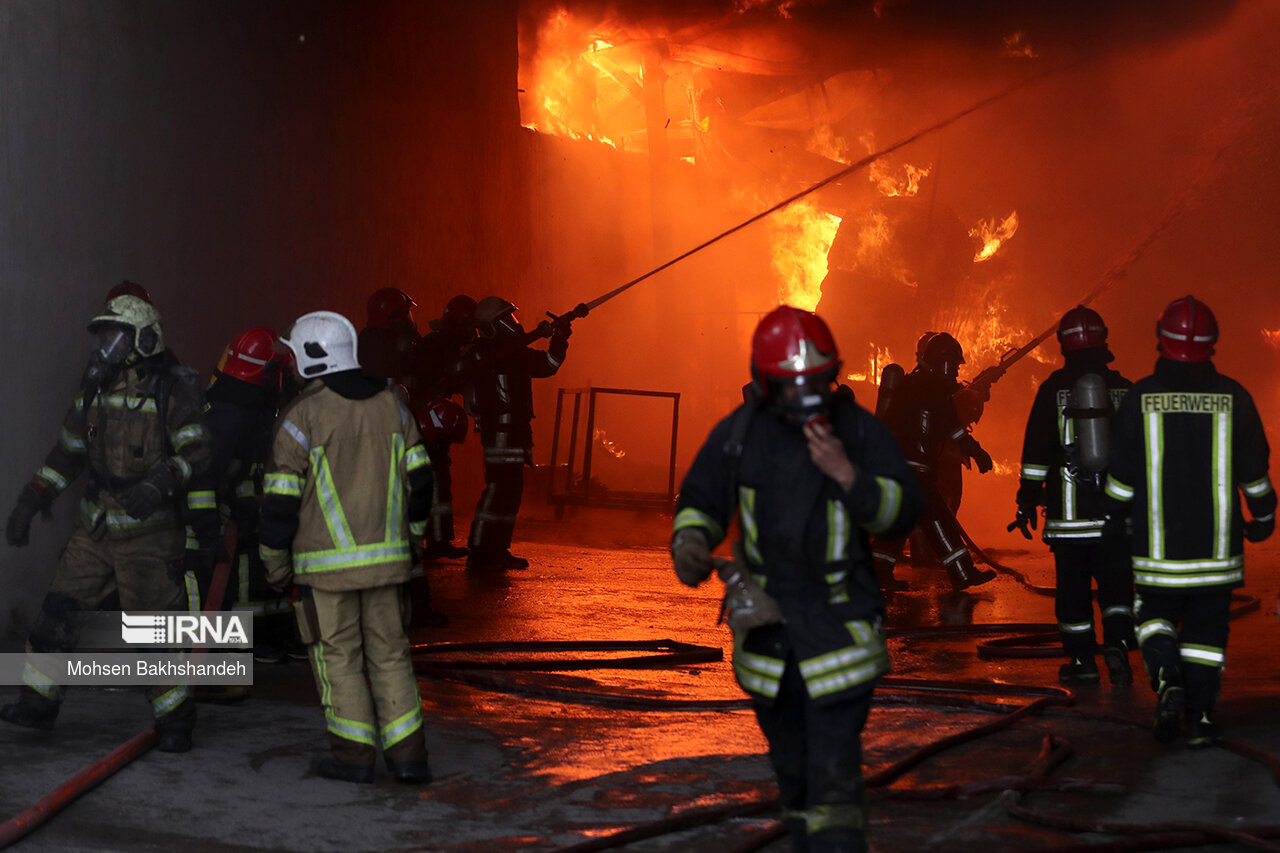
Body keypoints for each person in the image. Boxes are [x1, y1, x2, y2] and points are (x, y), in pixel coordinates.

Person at [672, 305, 922, 853]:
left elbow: (903, 511)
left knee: (833, 782)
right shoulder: (742, 434)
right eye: (792, 386)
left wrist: (849, 476)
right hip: (769, 646)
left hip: (839, 636)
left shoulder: (859, 431)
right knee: (794, 777)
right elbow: (701, 498)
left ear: (834, 376)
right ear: (765, 383)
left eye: (817, 382)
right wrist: (690, 541)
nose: (807, 396)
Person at [2, 293, 210, 751]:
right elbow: (69, 453)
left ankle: (175, 719)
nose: (106, 347)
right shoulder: (95, 391)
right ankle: (38, 703)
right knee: (59, 611)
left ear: (145, 340)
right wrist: (31, 501)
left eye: (117, 337)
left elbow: (196, 453)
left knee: (154, 632)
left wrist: (158, 484)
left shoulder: (172, 390)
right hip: (96, 527)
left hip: (150, 533)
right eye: (105, 338)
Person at [259, 310, 434, 784]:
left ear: (311, 357)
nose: (290, 366)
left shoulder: (301, 416)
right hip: (389, 565)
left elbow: (278, 505)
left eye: (294, 356)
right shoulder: (393, 405)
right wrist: (413, 540)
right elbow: (421, 481)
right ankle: (409, 758)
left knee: (339, 657)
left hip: (325, 572)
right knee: (391, 654)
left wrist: (275, 567)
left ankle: (354, 758)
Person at [1105, 295, 1274, 747]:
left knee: (1152, 616)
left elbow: (1121, 474)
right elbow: (1254, 471)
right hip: (1216, 553)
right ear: (1212, 343)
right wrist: (1264, 515)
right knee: (1206, 636)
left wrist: (1113, 517)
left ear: (1161, 339)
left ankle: (1167, 679)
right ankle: (1199, 717)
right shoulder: (1234, 396)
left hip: (1157, 551)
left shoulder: (1141, 397)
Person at [1011, 306, 1135, 686]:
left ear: (1063, 344)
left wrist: (1027, 499)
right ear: (1103, 340)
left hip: (1070, 521)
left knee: (1073, 592)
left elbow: (1036, 453)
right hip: (1117, 519)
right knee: (1117, 587)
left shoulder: (1052, 390)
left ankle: (1083, 662)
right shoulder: (1126, 389)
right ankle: (1118, 646)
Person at [186, 327, 296, 672]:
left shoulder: (243, 404)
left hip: (233, 509)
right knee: (215, 578)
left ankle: (252, 639)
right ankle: (214, 653)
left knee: (249, 569)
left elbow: (242, 468)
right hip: (212, 514)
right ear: (266, 372)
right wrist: (209, 524)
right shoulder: (230, 414)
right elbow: (204, 475)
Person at [871, 332, 996, 590]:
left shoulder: (923, 387)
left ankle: (879, 573)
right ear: (942, 362)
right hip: (912, 470)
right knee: (940, 520)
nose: (956, 371)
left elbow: (950, 427)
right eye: (954, 365)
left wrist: (975, 451)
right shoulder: (924, 389)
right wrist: (975, 452)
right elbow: (950, 428)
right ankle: (962, 573)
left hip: (909, 469)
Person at [461, 296, 570, 572]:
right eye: (508, 318)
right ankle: (482, 551)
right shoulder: (504, 353)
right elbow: (549, 364)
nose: (514, 323)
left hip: (507, 431)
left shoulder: (489, 352)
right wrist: (559, 337)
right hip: (504, 433)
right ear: (493, 325)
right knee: (500, 491)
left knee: (507, 492)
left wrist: (556, 335)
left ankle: (496, 550)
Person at [415, 294, 478, 559]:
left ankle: (435, 542)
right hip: (426, 423)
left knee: (436, 482)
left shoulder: (435, 344)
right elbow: (453, 379)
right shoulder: (446, 348)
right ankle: (434, 543)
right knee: (435, 481)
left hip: (428, 421)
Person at [358, 287, 426, 402]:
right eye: (407, 314)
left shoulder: (370, 338)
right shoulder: (381, 345)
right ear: (395, 317)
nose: (409, 320)